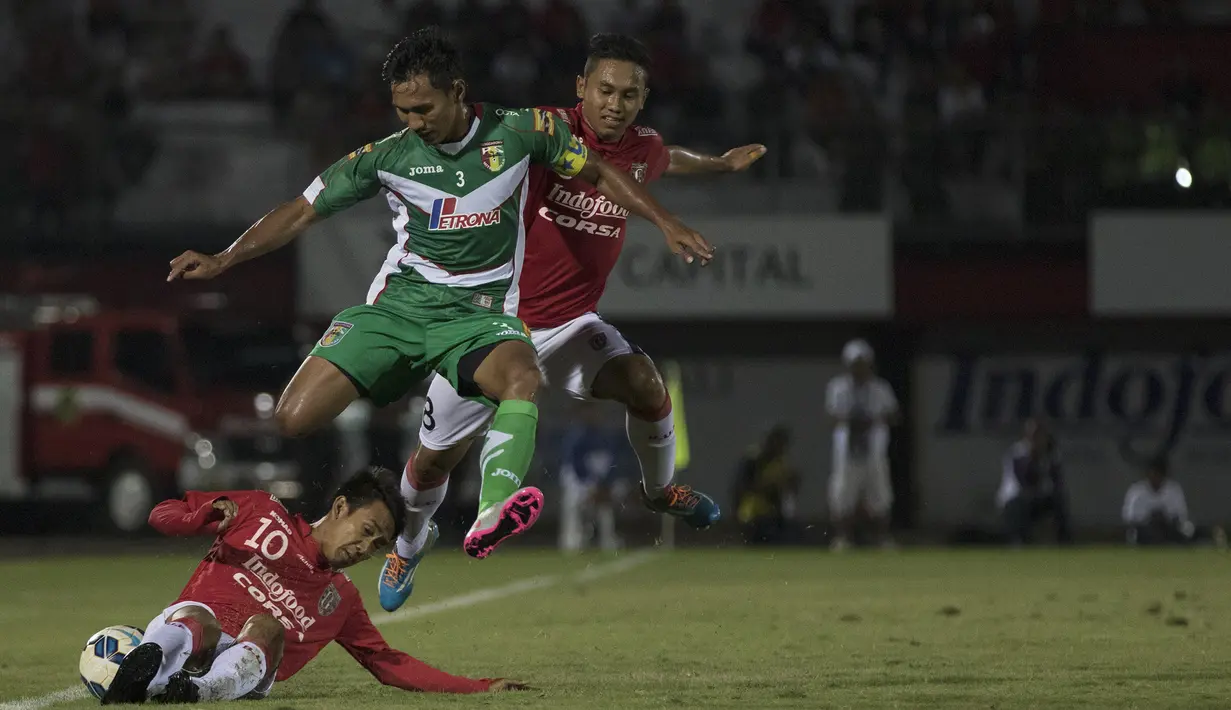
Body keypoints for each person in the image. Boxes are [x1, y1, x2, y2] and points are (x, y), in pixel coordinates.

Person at [167, 28, 713, 563]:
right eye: (403, 111)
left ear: (456, 91)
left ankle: (493, 512)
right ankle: (409, 543)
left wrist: (665, 222)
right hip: (399, 311)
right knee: (297, 421)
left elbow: (599, 168)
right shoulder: (387, 156)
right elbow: (302, 208)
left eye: (423, 109)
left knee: (525, 379)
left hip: (478, 320)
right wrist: (224, 257)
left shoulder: (520, 131)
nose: (412, 123)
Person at [379, 32, 766, 611]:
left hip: (570, 324)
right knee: (435, 458)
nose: (615, 103)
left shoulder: (642, 148)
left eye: (629, 95)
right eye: (604, 90)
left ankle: (659, 493)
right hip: (493, 327)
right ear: (580, 87)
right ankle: (409, 545)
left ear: (643, 99)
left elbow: (667, 159)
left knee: (644, 382)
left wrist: (720, 164)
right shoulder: (542, 132)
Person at [101, 467, 523, 704]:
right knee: (199, 620)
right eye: (367, 530)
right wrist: (202, 516)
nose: (365, 547)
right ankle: (148, 674)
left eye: (378, 545)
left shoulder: (341, 600)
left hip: (245, 673)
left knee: (267, 626)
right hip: (193, 631)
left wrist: (480, 686)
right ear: (340, 506)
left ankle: (193, 691)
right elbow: (162, 513)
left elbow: (389, 664)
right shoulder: (261, 512)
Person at [825, 339, 899, 550]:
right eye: (854, 363)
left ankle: (882, 539)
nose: (858, 368)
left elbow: (894, 414)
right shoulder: (838, 388)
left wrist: (873, 419)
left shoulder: (880, 388)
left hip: (874, 451)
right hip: (847, 452)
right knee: (842, 496)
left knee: (880, 496)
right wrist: (852, 420)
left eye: (861, 363)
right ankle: (843, 538)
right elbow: (830, 416)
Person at [557, 401, 631, 552]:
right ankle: (571, 541)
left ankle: (607, 540)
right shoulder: (575, 438)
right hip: (579, 483)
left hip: (601, 483)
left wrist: (604, 486)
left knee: (605, 507)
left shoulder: (605, 437)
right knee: (572, 504)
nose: (592, 416)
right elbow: (576, 466)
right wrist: (590, 486)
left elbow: (612, 464)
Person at [996, 418, 1073, 546]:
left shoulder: (1051, 453)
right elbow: (1024, 481)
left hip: (1037, 497)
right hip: (1015, 498)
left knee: (1059, 500)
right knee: (1019, 506)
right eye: (1034, 435)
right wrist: (1033, 458)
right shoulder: (1017, 452)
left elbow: (1057, 480)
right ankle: (1018, 542)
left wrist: (1049, 460)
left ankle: (1064, 541)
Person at [733, 425, 799, 545]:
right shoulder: (754, 459)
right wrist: (769, 485)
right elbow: (742, 486)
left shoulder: (780, 463)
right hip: (752, 514)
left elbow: (789, 490)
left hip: (772, 515)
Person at [1122, 457, 1194, 546]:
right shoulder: (1137, 491)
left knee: (1187, 528)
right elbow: (1130, 518)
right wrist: (1149, 518)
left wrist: (1164, 517)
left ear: (1164, 475)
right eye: (1153, 474)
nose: (1155, 477)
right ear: (1147, 474)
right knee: (1134, 533)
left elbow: (1181, 515)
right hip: (1145, 530)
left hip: (1167, 528)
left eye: (1158, 474)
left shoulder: (1174, 489)